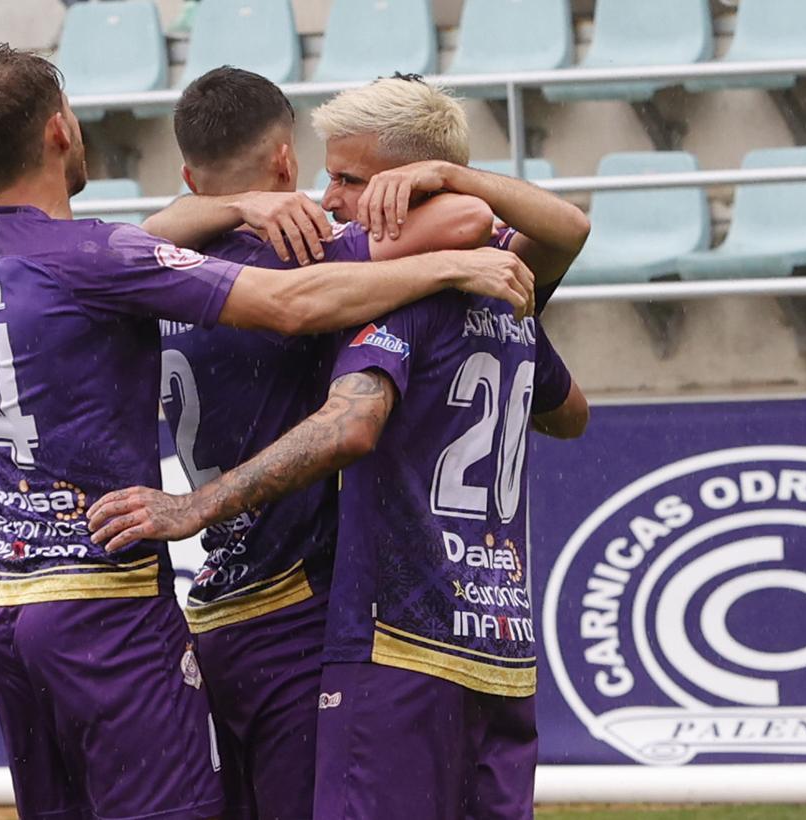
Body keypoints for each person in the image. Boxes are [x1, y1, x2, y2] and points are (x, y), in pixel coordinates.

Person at [0, 46, 538, 820]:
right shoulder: (111, 257)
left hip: (12, 606)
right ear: (60, 130)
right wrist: (449, 268)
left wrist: (229, 206)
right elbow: (309, 299)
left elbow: (142, 236)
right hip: (130, 598)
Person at [87, 77, 590, 820]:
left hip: (305, 623)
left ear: (190, 175)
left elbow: (352, 421)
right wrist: (450, 236)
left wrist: (195, 507)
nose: (327, 197)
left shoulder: (164, 278)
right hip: (454, 630)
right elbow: (567, 401)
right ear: (285, 163)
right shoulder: (348, 269)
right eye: (325, 175)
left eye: (349, 179)